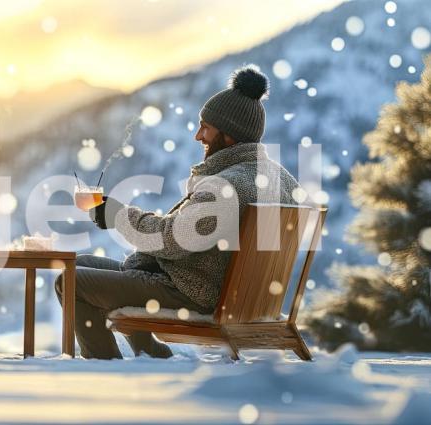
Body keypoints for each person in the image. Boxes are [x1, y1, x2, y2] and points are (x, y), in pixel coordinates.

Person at [55, 66, 300, 359]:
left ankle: (104, 365)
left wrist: (115, 214)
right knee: (78, 264)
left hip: (192, 292)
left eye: (206, 127)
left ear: (230, 136)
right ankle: (151, 356)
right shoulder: (280, 179)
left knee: (70, 281)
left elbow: (172, 240)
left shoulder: (228, 184)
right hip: (229, 293)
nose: (198, 135)